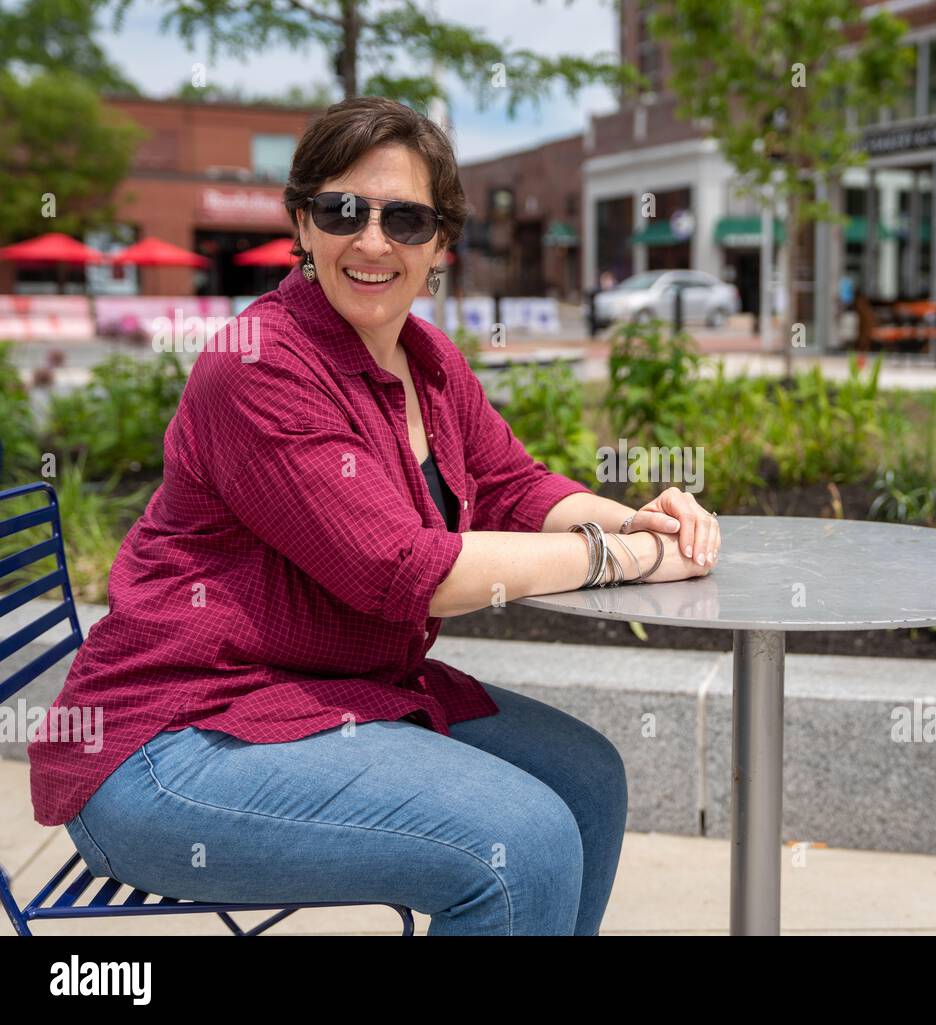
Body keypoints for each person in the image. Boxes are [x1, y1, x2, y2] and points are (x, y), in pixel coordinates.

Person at [28, 96, 722, 937]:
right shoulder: (257, 367)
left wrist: (639, 520)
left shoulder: (426, 360)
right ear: (301, 222)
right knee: (523, 839)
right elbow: (397, 570)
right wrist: (618, 558)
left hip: (322, 697)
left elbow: (514, 483)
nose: (371, 240)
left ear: (440, 244)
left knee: (587, 779)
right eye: (342, 210)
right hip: (165, 748)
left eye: (405, 219)